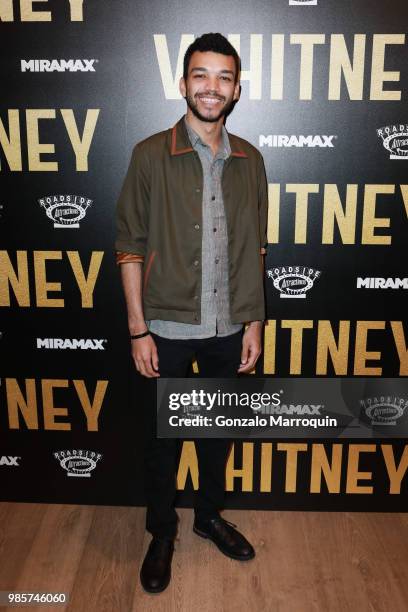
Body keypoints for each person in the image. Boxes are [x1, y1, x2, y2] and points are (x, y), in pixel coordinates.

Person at [115, 32, 268, 593]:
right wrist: (139, 329)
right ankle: (162, 531)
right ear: (183, 84)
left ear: (235, 90)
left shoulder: (250, 160)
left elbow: (256, 249)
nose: (212, 87)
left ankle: (207, 516)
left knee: (215, 436)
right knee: (162, 441)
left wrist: (254, 321)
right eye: (201, 75)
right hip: (168, 329)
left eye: (223, 77)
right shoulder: (151, 154)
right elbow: (129, 245)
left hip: (229, 328)